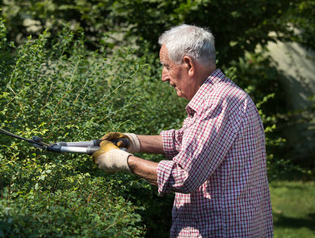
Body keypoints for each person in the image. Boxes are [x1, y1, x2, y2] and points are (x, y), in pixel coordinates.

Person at [92, 24, 274, 237]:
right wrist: (131, 140)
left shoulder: (218, 101)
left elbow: (184, 176)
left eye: (166, 66)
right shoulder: (219, 96)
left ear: (188, 64)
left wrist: (123, 161)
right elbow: (185, 141)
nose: (163, 76)